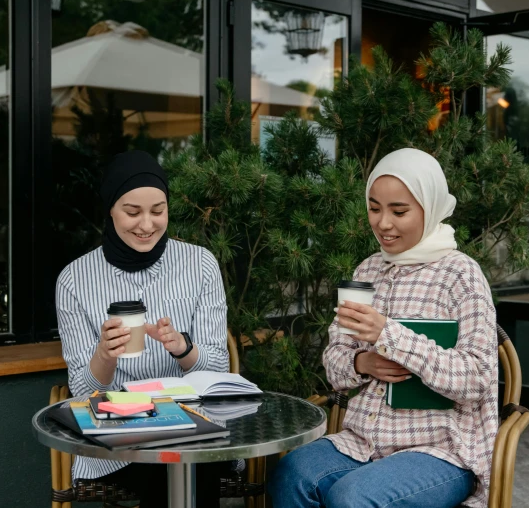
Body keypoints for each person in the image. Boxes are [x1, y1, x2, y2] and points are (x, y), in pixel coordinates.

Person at [270, 148, 498, 508]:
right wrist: (363, 363)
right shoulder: (367, 271)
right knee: (293, 473)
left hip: (438, 450)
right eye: (374, 208)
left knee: (353, 497)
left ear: (431, 206)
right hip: (361, 441)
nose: (383, 223)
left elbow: (477, 380)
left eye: (399, 211)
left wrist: (388, 336)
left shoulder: (461, 275)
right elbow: (335, 361)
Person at [56, 150, 229, 507]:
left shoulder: (200, 265)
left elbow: (219, 369)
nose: (146, 225)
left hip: (193, 421)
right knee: (166, 469)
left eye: (158, 211)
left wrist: (183, 347)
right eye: (132, 212)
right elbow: (82, 391)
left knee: (191, 464)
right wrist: (104, 355)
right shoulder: (74, 280)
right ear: (110, 209)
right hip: (120, 431)